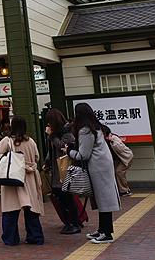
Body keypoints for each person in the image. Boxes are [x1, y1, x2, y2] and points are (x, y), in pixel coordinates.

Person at [67, 103, 120, 244]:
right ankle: (102, 229)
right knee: (102, 199)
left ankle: (107, 233)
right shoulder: (96, 127)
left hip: (98, 167)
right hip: (103, 164)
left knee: (104, 200)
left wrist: (69, 151)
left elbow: (83, 155)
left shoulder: (85, 130)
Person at [0, 115, 45, 246]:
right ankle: (35, 236)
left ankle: (11, 238)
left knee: (10, 209)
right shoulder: (31, 141)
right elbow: (37, 157)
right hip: (29, 178)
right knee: (31, 209)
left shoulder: (6, 141)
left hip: (12, 179)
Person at [43, 109, 85, 234]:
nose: (48, 125)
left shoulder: (67, 132)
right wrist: (47, 163)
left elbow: (63, 147)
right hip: (57, 171)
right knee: (60, 197)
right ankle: (69, 222)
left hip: (65, 170)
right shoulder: (55, 134)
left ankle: (75, 223)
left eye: (49, 122)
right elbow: (51, 151)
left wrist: (51, 136)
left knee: (67, 197)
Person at [101, 125, 134, 197]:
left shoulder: (114, 137)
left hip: (126, 157)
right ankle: (119, 190)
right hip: (117, 158)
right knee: (114, 172)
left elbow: (120, 149)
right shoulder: (103, 140)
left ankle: (125, 190)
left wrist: (112, 140)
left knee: (119, 172)